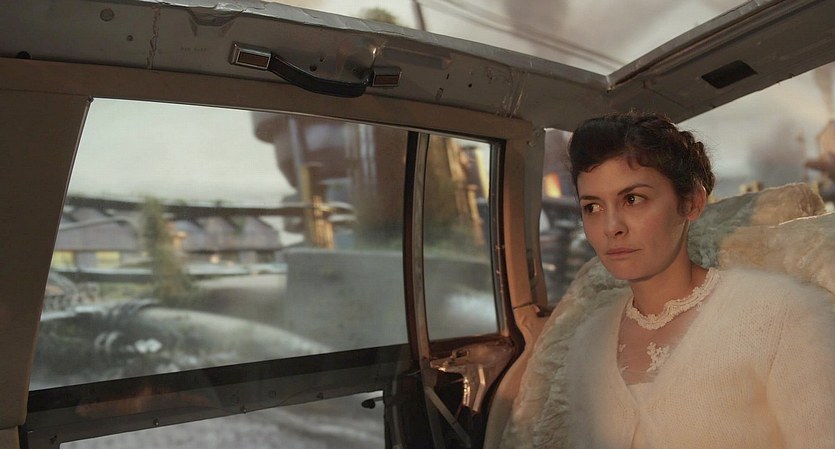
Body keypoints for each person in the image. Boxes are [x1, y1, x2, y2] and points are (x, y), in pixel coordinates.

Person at [500, 112, 835, 449]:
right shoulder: (588, 341)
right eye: (593, 207)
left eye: (632, 199)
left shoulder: (780, 316)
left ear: (691, 203)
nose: (611, 227)